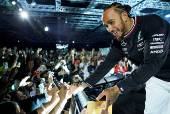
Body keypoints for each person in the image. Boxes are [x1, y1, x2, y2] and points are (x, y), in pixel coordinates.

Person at [78, 2, 170, 114]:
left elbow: (152, 64)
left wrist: (117, 89)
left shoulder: (152, 23)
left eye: (111, 22)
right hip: (157, 79)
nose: (109, 29)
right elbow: (105, 66)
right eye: (106, 26)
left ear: (124, 15)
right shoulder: (118, 43)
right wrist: (81, 85)